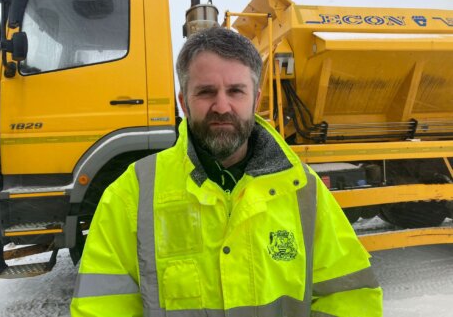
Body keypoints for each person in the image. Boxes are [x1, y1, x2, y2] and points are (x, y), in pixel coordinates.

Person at [71, 27, 383, 317]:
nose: (222, 106)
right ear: (184, 102)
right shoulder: (132, 195)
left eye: (236, 91)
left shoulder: (303, 189)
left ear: (256, 100)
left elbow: (350, 297)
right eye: (206, 92)